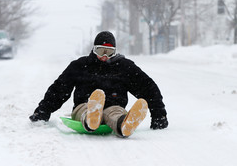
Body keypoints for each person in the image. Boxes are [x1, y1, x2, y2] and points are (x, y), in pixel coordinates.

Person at [29, 31, 168, 137]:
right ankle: (91, 117)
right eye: (101, 51)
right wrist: (43, 111)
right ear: (94, 49)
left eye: (109, 52)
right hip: (84, 105)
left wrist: (159, 115)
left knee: (116, 113)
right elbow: (59, 89)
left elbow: (148, 87)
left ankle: (124, 124)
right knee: (85, 109)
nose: (104, 56)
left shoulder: (124, 67)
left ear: (115, 51)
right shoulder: (80, 66)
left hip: (114, 106)